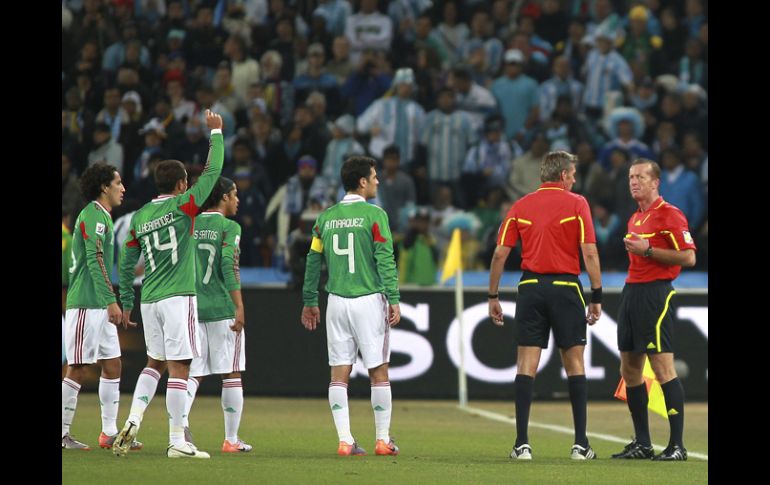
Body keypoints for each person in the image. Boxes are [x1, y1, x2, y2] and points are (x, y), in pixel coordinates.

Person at [114, 110, 224, 459]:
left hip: (149, 298)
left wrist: (125, 299)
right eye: (186, 183)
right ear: (180, 185)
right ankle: (178, 440)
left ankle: (132, 419)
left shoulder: (141, 215)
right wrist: (217, 134)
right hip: (179, 297)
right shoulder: (185, 206)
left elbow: (127, 259)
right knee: (180, 367)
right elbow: (212, 173)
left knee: (154, 363)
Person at [488, 151, 603, 460]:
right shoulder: (577, 203)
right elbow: (589, 251)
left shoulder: (520, 206)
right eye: (574, 174)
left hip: (530, 288)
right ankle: (581, 445)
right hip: (566, 287)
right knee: (575, 364)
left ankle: (521, 445)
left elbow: (500, 254)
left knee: (526, 365)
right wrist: (597, 294)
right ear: (563, 175)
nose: (575, 179)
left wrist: (493, 295)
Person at [301, 156, 401, 457]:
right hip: (368, 299)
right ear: (362, 182)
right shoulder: (375, 215)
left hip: (336, 302)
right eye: (374, 176)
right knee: (378, 370)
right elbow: (385, 258)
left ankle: (345, 440)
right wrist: (393, 298)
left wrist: (309, 299)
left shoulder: (325, 218)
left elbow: (312, 260)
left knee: (338, 373)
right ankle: (382, 440)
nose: (377, 181)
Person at [612, 158, 696, 461]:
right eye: (631, 176)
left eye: (640, 177)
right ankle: (643, 443)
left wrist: (647, 250)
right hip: (631, 291)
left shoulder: (669, 215)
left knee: (662, 367)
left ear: (655, 182)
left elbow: (688, 258)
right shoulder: (635, 217)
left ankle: (677, 445)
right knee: (630, 368)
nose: (633, 181)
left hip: (656, 294)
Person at [62, 163, 137, 451]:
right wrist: (110, 300)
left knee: (113, 364)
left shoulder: (102, 216)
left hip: (99, 305)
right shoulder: (93, 215)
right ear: (104, 187)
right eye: (118, 183)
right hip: (86, 304)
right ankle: (63, 432)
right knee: (78, 368)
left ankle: (108, 432)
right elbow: (94, 260)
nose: (123, 188)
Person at [184, 176, 252, 453]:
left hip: (191, 307)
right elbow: (228, 262)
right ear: (224, 197)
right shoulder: (229, 226)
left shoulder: (189, 225)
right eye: (234, 195)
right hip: (222, 307)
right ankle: (231, 439)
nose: (237, 200)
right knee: (231, 372)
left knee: (192, 373)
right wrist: (239, 305)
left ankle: (180, 427)